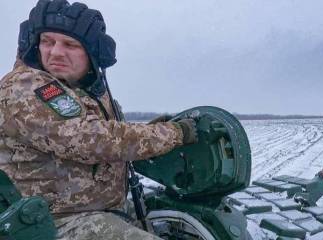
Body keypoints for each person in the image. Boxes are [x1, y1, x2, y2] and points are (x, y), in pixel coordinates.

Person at [0, 0, 198, 239]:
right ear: (34, 44)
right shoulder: (25, 86)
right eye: (47, 41)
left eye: (70, 44)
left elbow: (108, 132)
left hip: (101, 210)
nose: (55, 52)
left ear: (94, 54)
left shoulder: (84, 90)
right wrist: (173, 134)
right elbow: (90, 140)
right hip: (54, 221)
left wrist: (150, 131)